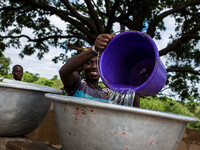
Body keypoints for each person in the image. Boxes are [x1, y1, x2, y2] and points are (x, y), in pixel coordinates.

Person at [59, 34, 140, 107]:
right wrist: (94, 49)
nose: (94, 66)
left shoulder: (110, 93)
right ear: (82, 66)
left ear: (102, 67)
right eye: (89, 63)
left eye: (97, 63)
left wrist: (133, 80)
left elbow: (134, 108)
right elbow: (64, 71)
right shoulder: (77, 85)